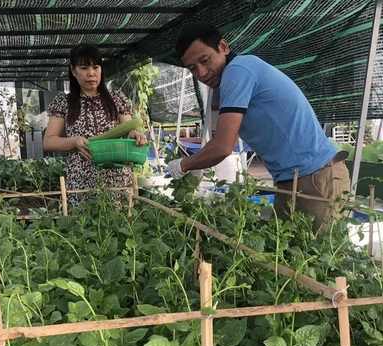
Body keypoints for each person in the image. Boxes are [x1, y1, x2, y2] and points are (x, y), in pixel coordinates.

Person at [170, 23, 350, 230]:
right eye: (192, 68)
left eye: (205, 60)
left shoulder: (237, 71)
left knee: (317, 257)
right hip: (293, 179)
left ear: (223, 47)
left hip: (316, 177)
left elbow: (222, 146)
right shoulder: (237, 74)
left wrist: (182, 165)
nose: (201, 73)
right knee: (286, 257)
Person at [43, 43, 148, 207]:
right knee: (85, 227)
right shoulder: (63, 102)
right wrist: (74, 141)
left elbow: (128, 130)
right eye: (84, 67)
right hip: (80, 181)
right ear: (73, 70)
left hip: (117, 179)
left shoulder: (117, 98)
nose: (91, 73)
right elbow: (49, 141)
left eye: (96, 67)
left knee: (118, 227)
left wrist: (134, 135)